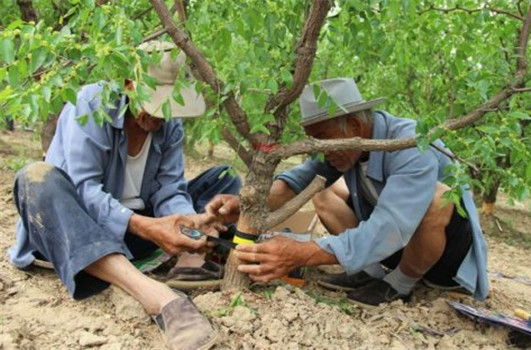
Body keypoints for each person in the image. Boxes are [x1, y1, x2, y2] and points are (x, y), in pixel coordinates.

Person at [7, 41, 241, 350]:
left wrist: (188, 219)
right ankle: (157, 297)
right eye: (154, 105)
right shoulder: (92, 103)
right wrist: (143, 225)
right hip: (77, 233)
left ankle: (202, 250)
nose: (159, 117)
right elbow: (84, 189)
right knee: (36, 177)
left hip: (138, 229)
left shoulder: (168, 125)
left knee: (224, 177)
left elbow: (170, 188)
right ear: (130, 86)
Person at [206, 77, 489, 307]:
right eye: (312, 140)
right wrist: (243, 205)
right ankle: (372, 272)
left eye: (322, 138)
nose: (317, 148)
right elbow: (295, 183)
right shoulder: (343, 147)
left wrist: (304, 253)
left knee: (437, 199)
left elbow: (391, 226)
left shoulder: (411, 143)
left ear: (354, 126)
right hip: (394, 248)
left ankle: (400, 284)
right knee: (320, 190)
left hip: (443, 263)